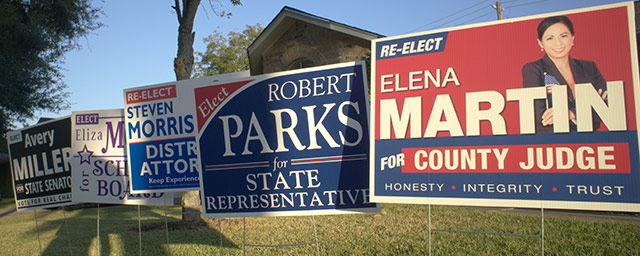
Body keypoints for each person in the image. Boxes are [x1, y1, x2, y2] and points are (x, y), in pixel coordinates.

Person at [522, 15, 608, 133]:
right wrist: (589, 108)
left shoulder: (589, 67)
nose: (558, 43)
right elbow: (541, 117)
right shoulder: (533, 69)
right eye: (550, 38)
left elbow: (607, 106)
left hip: (592, 141)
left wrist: (571, 113)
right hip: (555, 143)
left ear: (572, 38)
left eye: (563, 36)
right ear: (540, 43)